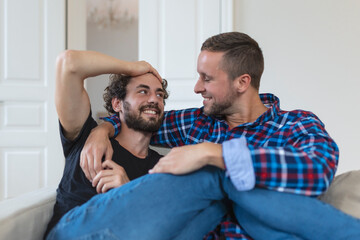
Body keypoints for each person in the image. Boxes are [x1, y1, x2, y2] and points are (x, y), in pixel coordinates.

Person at [49, 33, 360, 240]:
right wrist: (105, 127)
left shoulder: (296, 125)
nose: (196, 88)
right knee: (221, 179)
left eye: (206, 78)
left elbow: (317, 171)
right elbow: (138, 117)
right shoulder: (198, 123)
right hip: (87, 229)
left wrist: (218, 154)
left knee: (225, 188)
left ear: (242, 82)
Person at [44, 50, 186, 238]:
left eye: (159, 95)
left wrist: (126, 193)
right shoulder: (85, 136)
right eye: (143, 91)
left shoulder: (162, 168)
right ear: (117, 104)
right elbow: (68, 62)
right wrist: (132, 67)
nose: (154, 99)